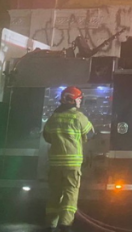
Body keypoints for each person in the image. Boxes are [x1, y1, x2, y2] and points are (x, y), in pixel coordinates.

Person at [43, 86, 95, 232]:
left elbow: (47, 137)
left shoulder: (53, 118)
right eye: (79, 99)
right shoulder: (78, 117)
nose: (80, 102)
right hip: (72, 165)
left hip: (55, 164)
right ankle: (65, 224)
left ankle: (50, 224)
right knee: (70, 193)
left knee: (55, 193)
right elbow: (91, 134)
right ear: (73, 100)